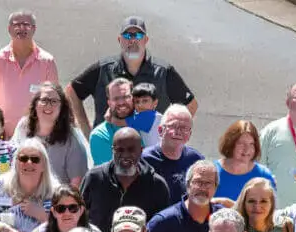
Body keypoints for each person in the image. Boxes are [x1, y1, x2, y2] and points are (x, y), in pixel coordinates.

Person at [65, 15, 197, 137]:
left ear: (146, 40)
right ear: (119, 40)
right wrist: (88, 133)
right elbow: (71, 92)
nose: (133, 40)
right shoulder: (103, 69)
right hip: (109, 149)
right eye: (128, 35)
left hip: (150, 154)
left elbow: (191, 105)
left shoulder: (163, 72)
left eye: (138, 35)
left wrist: (170, 137)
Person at [80, 128, 170, 232]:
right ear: (112, 150)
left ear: (141, 150)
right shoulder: (94, 178)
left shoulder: (157, 185)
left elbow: (163, 228)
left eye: (131, 149)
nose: (125, 155)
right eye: (120, 150)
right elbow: (79, 216)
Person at [0, 10, 60, 133]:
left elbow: (54, 100)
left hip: (35, 136)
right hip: (2, 136)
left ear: (34, 29)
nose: (22, 28)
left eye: (26, 25)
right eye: (17, 25)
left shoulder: (47, 62)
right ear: (9, 29)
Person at [146, 159, 223, 232]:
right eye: (198, 182)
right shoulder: (165, 220)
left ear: (216, 187)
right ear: (187, 185)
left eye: (208, 183)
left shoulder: (223, 217)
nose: (202, 188)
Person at [0, 138, 59, 232]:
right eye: (23, 158)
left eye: (35, 159)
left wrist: (43, 216)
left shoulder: (56, 193)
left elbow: (67, 229)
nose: (29, 162)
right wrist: (0, 227)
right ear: (16, 163)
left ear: (44, 165)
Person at [11, 83, 93, 188]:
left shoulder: (71, 140)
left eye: (54, 101)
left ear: (61, 108)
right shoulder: (23, 126)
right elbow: (11, 157)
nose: (48, 105)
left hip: (55, 199)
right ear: (35, 104)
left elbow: (77, 183)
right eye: (44, 100)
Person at [141, 104, 204, 205]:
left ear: (189, 135)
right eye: (173, 126)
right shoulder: (143, 160)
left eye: (184, 128)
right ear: (160, 130)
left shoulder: (196, 160)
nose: (178, 132)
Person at [214, 120, 276, 202]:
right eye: (241, 144)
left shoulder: (263, 175)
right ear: (230, 143)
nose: (247, 149)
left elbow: (270, 209)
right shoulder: (212, 172)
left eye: (251, 144)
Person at [88, 78, 135, 166]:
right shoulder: (100, 135)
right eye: (116, 99)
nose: (121, 102)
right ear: (109, 103)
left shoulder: (148, 123)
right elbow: (113, 173)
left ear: (133, 98)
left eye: (126, 97)